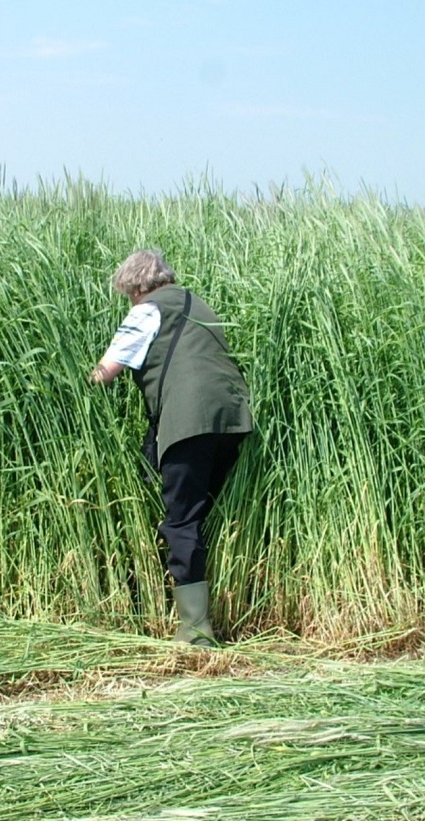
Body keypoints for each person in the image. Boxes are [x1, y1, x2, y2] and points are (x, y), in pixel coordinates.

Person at [90, 249, 253, 646]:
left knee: (181, 520)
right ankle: (206, 616)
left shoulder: (146, 311)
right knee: (200, 511)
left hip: (187, 422)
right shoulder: (201, 305)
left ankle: (195, 634)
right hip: (233, 420)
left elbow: (106, 372)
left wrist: (78, 385)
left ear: (135, 287)